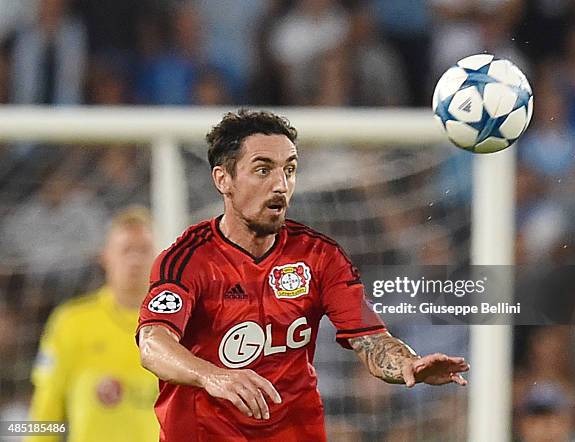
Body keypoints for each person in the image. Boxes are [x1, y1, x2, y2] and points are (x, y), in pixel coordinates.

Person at [137, 110, 469, 441]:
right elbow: (153, 344)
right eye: (263, 170)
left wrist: (407, 364)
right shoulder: (189, 260)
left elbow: (370, 339)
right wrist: (212, 376)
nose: (281, 185)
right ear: (224, 179)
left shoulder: (320, 256)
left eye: (290, 170)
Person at [27, 206, 159, 442]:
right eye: (126, 250)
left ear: (159, 257)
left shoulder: (182, 324)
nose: (135, 259)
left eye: (143, 250)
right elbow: (46, 409)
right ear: (105, 256)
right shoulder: (71, 322)